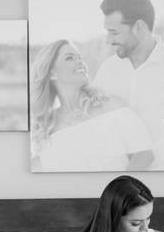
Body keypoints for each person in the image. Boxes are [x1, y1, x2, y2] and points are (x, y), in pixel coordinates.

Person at [93, 0, 164, 170]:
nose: (108, 40)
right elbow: (91, 121)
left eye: (114, 32)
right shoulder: (108, 69)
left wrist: (141, 163)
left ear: (139, 27)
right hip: (115, 178)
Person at [29, 39, 154, 172]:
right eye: (69, 58)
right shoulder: (44, 129)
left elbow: (144, 155)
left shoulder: (112, 106)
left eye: (80, 57)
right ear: (52, 73)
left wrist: (117, 185)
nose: (80, 62)